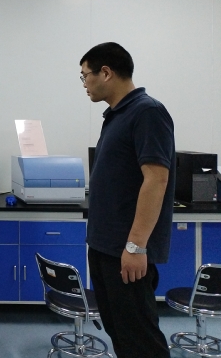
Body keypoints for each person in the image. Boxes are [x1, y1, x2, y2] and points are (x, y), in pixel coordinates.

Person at [80, 42, 175, 358]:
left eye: (85, 75)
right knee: (120, 333)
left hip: (126, 250)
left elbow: (156, 179)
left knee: (140, 339)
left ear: (106, 72)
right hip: (104, 247)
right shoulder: (115, 115)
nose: (84, 83)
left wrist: (136, 246)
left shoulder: (147, 112)